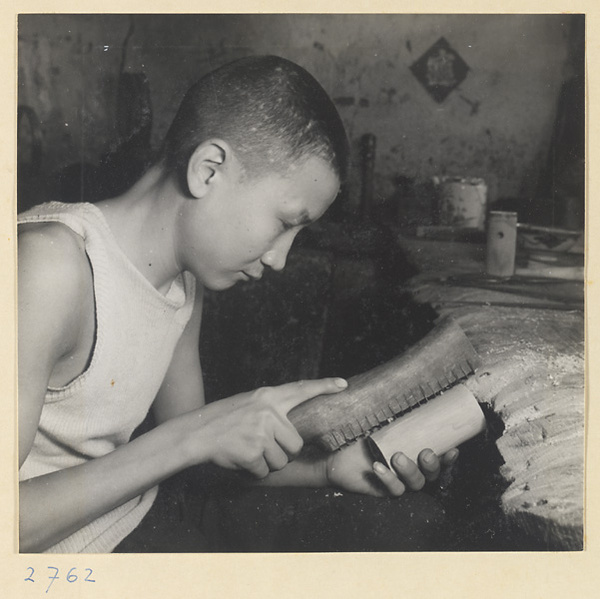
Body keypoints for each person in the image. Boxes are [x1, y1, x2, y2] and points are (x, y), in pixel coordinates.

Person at [18, 55, 456, 553]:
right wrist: (192, 436)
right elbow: (189, 441)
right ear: (208, 170)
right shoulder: (49, 264)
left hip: (133, 519)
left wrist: (327, 469)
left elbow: (201, 457)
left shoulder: (182, 281)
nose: (281, 259)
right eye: (286, 222)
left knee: (406, 526)